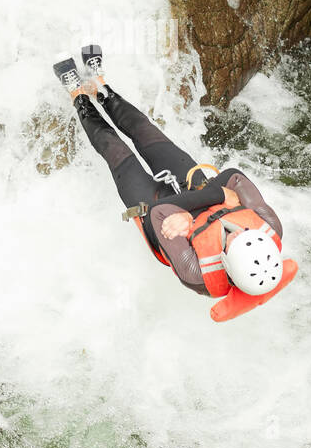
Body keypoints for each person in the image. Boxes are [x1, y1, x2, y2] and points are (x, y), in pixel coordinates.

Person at [53, 45, 298, 323]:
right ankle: (100, 86)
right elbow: (233, 175)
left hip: (154, 213)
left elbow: (159, 211)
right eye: (243, 231)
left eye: (231, 241)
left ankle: (78, 96)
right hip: (195, 193)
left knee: (117, 152)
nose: (235, 231)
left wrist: (218, 198)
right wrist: (208, 198)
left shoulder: (197, 273)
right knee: (146, 132)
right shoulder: (270, 226)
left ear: (227, 264)